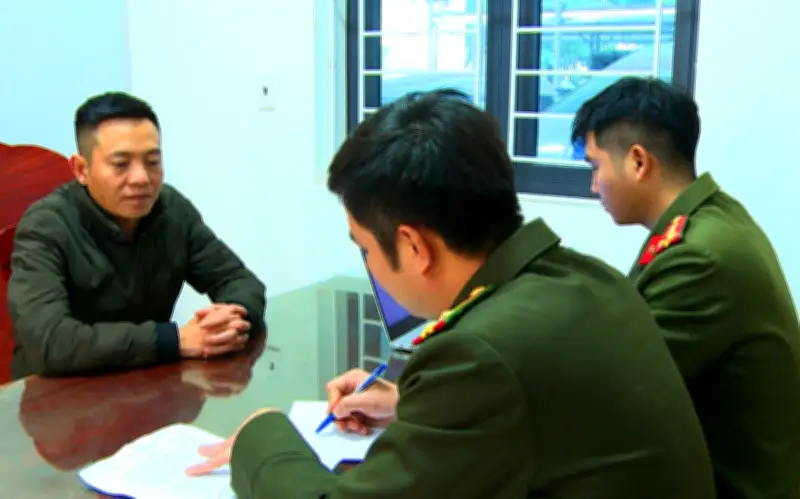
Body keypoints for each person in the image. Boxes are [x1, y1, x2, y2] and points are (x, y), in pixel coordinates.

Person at [186, 89, 715, 498]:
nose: (370, 265)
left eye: (365, 248)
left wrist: (263, 435)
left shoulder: (478, 354)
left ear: (415, 247)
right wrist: (413, 405)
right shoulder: (585, 278)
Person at [571, 76, 800, 499]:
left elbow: (613, 389)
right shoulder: (712, 216)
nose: (593, 185)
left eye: (595, 166)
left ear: (637, 162)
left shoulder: (699, 258)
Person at [7, 92, 266, 379]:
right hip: (58, 394)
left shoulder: (171, 210)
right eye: (121, 164)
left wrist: (231, 319)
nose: (141, 178)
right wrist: (173, 340)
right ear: (82, 169)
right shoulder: (45, 226)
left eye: (153, 161)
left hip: (148, 383)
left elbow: (237, 279)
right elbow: (49, 342)